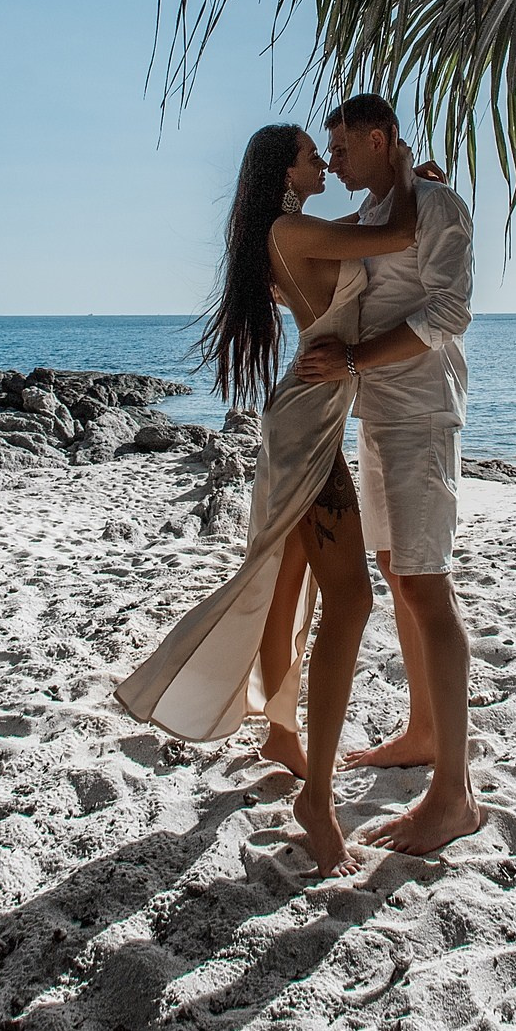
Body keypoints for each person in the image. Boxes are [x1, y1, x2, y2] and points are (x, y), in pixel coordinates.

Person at [115, 122, 422, 874]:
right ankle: (316, 801)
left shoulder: (289, 232)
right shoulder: (293, 231)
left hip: (304, 414)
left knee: (285, 581)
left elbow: (358, 229)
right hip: (308, 423)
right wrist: (408, 171)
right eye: (314, 156)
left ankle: (282, 734)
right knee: (351, 599)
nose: (326, 163)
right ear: (286, 171)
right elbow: (399, 233)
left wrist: (389, 192)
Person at [297, 92, 483, 856]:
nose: (335, 163)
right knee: (396, 568)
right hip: (377, 412)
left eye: (343, 149)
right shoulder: (382, 211)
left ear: (380, 138)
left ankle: (455, 794)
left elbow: (448, 313)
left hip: (423, 413)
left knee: (426, 582)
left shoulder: (437, 204)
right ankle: (424, 732)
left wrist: (352, 359)